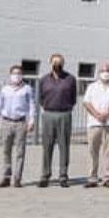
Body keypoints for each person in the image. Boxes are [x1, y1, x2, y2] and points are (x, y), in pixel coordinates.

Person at [0, 65, 37, 188]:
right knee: (6, 150)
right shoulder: (5, 89)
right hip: (6, 121)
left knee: (20, 151)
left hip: (21, 122)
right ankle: (6, 177)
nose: (16, 75)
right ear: (10, 74)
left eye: (19, 73)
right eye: (14, 73)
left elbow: (32, 105)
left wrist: (31, 121)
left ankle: (17, 178)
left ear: (22, 75)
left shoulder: (27, 89)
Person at [38, 53, 77, 188]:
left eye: (59, 62)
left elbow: (73, 98)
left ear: (63, 64)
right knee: (47, 146)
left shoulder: (70, 79)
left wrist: (66, 107)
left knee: (64, 146)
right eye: (55, 62)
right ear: (50, 63)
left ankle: (63, 175)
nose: (57, 65)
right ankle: (45, 175)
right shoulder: (43, 80)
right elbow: (40, 98)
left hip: (64, 114)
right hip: (48, 114)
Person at [81, 62, 109, 188]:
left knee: (108, 151)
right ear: (99, 73)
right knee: (92, 152)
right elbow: (87, 102)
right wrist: (97, 115)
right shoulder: (92, 87)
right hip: (94, 124)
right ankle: (92, 177)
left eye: (108, 71)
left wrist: (107, 114)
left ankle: (107, 178)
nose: (106, 73)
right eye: (103, 71)